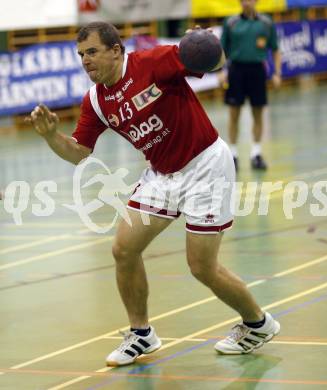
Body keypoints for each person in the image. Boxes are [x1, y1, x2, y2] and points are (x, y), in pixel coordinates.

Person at [26, 22, 280, 367]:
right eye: (81, 55)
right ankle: (141, 333)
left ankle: (258, 323)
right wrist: (50, 136)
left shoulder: (153, 63)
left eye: (92, 52)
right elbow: (78, 152)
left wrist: (203, 44)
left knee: (202, 267)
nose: (85, 61)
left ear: (116, 50)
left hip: (205, 166)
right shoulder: (97, 101)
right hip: (162, 176)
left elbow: (213, 61)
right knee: (124, 249)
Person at [219, 0, 282, 171]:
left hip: (257, 71)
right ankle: (233, 155)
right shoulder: (231, 22)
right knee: (234, 114)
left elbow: (275, 49)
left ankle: (256, 154)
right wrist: (222, 70)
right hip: (236, 71)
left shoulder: (266, 23)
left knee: (258, 112)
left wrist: (277, 72)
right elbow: (222, 50)